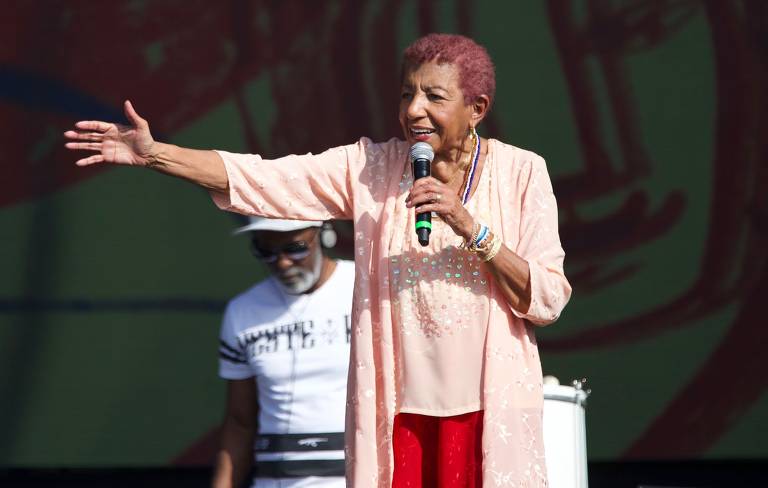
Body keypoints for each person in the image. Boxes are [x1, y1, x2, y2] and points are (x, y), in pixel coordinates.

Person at [65, 33, 572, 488]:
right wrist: (157, 154)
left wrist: (473, 229)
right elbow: (264, 179)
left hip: (488, 411)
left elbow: (546, 299)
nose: (414, 109)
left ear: (477, 108)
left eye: (434, 97)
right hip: (398, 418)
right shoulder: (370, 168)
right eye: (406, 93)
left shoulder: (522, 173)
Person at [212, 216, 354, 488]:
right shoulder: (242, 311)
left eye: (295, 247)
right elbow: (240, 422)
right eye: (265, 251)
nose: (282, 262)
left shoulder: (366, 288)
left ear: (326, 236)